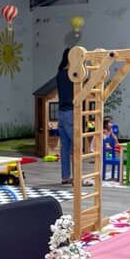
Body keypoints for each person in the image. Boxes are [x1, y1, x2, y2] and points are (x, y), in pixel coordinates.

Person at [56, 48, 74, 184]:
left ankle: (65, 176)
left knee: (65, 147)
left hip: (61, 113)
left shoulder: (60, 74)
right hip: (70, 113)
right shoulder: (72, 74)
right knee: (76, 146)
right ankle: (77, 178)